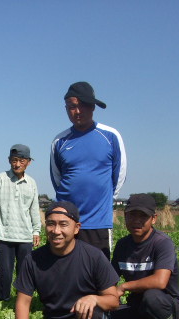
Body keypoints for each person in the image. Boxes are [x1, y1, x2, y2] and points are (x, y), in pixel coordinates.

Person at [50, 81, 127, 258]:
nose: (77, 111)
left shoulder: (110, 136)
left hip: (98, 222)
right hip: (66, 222)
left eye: (82, 106)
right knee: (64, 273)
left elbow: (119, 176)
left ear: (92, 107)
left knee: (99, 277)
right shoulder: (60, 141)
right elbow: (57, 180)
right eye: (72, 107)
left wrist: (103, 201)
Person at [109, 193, 179, 319]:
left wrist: (124, 287)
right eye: (132, 215)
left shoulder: (162, 242)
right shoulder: (123, 245)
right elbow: (110, 280)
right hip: (137, 309)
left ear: (153, 219)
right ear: (125, 216)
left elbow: (160, 281)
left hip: (166, 308)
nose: (137, 220)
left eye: (143, 216)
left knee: (152, 297)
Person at [0, 144, 41, 301]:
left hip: (25, 235)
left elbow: (34, 209)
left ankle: (22, 301)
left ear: (28, 162)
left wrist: (36, 231)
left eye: (21, 161)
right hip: (4, 235)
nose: (17, 164)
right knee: (4, 272)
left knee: (24, 272)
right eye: (14, 160)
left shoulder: (31, 183)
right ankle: (3, 300)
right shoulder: (0, 179)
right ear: (9, 160)